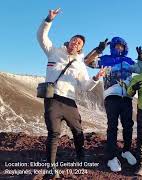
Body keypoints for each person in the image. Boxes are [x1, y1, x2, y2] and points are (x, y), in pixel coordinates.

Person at [37, 8, 105, 179]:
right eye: (74, 40)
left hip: (70, 102)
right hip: (52, 99)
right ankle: (51, 167)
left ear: (81, 48)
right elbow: (41, 37)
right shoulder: (54, 52)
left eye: (80, 43)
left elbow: (85, 86)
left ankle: (81, 158)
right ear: (69, 41)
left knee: (78, 131)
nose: (76, 43)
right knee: (53, 133)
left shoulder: (80, 64)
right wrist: (49, 19)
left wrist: (96, 78)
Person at [85, 37, 142, 172]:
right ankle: (111, 157)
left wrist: (141, 57)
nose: (119, 48)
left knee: (128, 125)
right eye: (117, 46)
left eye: (121, 46)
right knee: (112, 127)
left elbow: (140, 70)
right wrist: (98, 50)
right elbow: (88, 62)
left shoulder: (128, 61)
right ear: (113, 47)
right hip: (111, 97)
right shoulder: (105, 59)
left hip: (127, 98)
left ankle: (126, 150)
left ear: (125, 48)